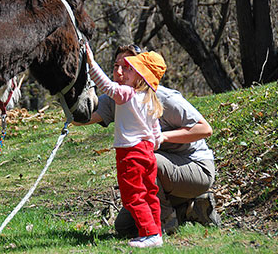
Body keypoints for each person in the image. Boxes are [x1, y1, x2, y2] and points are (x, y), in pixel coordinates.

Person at [75, 44, 221, 237]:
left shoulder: (164, 98)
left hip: (196, 167)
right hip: (164, 172)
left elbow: (205, 129)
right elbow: (81, 118)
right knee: (125, 227)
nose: (119, 72)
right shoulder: (118, 97)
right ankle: (190, 208)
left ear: (140, 71)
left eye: (127, 67)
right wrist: (67, 90)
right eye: (116, 65)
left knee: (145, 159)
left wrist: (162, 137)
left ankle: (165, 222)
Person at [84, 42, 167, 248]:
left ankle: (149, 234)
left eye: (131, 68)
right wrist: (152, 144)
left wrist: (92, 64)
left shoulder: (127, 94)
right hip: (147, 153)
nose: (124, 71)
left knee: (132, 196)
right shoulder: (150, 99)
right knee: (149, 194)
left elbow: (106, 86)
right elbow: (156, 133)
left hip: (130, 154)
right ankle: (155, 232)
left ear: (142, 75)